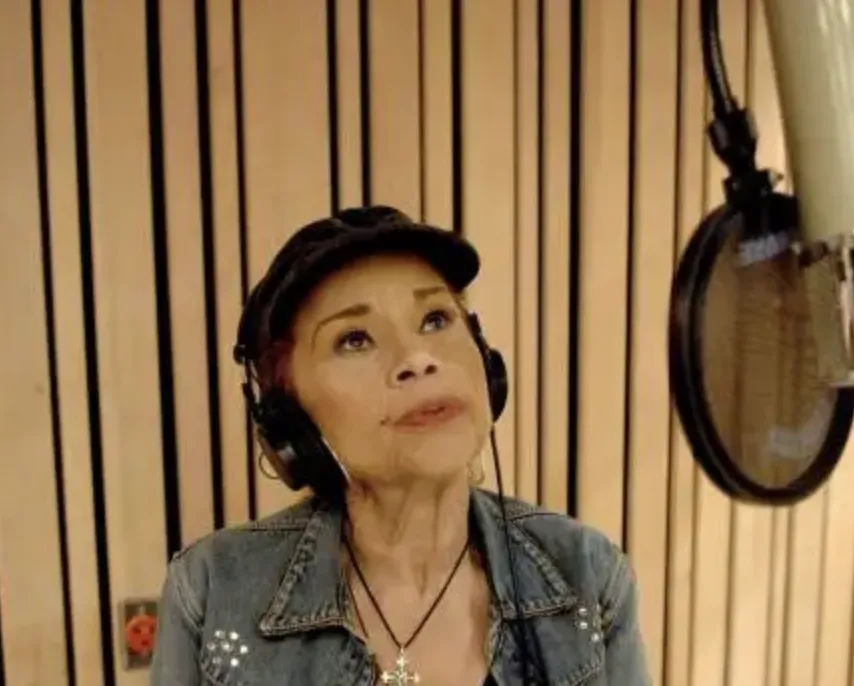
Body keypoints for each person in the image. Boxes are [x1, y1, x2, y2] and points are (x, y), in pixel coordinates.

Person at [149, 206, 651, 685]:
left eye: (435, 319)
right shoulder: (212, 591)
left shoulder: (587, 574)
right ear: (291, 418)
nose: (418, 358)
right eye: (354, 339)